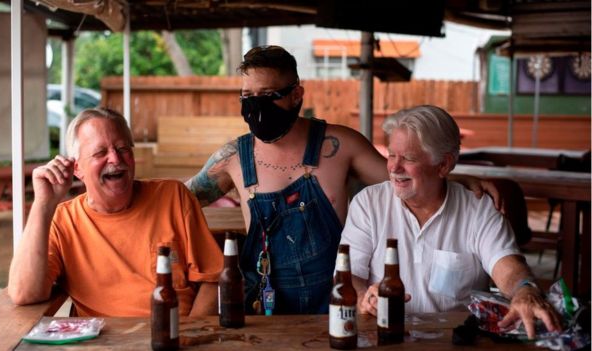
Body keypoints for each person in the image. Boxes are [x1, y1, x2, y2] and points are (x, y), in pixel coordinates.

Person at [185, 45, 500, 315]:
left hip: (335, 301)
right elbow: (182, 200)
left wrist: (456, 178)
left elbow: (403, 178)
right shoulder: (232, 159)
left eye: (269, 95)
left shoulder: (340, 145)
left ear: (297, 95)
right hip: (264, 306)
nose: (257, 106)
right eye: (248, 95)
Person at [340, 105, 561, 339]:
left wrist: (524, 290)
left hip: (456, 341)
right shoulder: (368, 203)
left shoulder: (478, 209)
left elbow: (507, 267)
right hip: (383, 336)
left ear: (444, 165)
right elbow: (348, 275)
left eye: (408, 158)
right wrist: (365, 298)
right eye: (392, 155)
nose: (394, 167)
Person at [8, 107, 222, 317]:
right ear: (77, 169)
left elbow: (213, 280)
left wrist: (189, 336)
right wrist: (43, 204)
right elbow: (24, 293)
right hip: (103, 341)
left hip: (173, 339)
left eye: (123, 149)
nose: (115, 159)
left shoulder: (173, 196)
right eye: (100, 152)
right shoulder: (63, 220)